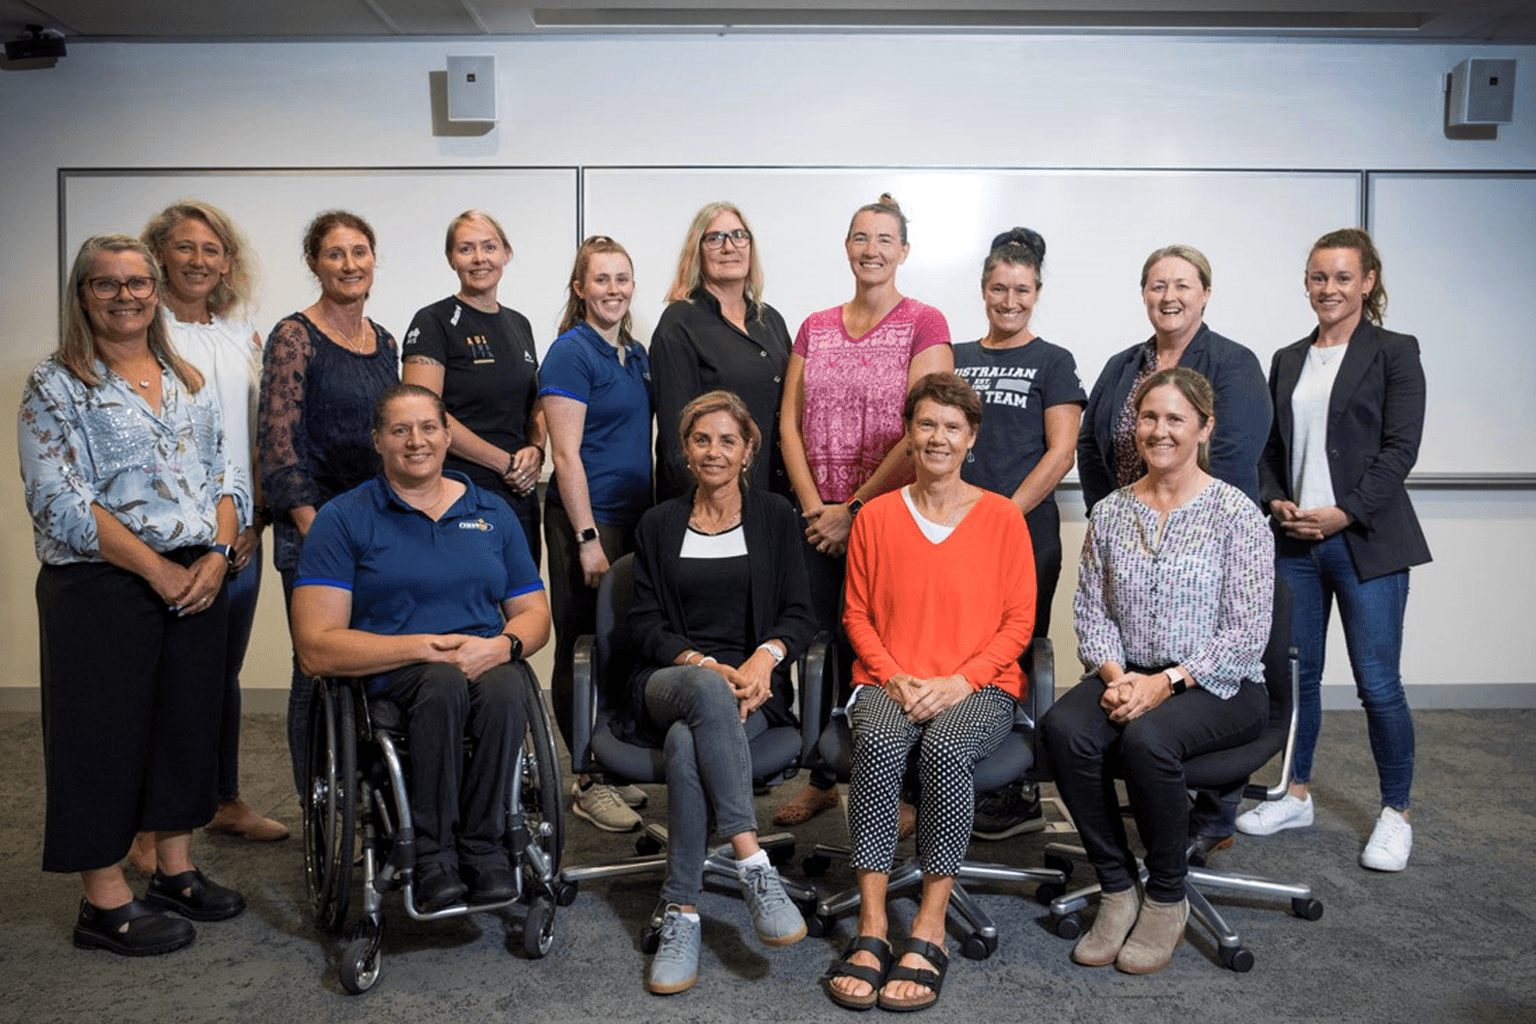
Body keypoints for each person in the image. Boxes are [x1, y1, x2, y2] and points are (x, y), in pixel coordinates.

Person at [20, 234, 250, 955]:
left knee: (185, 728)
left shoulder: (185, 377)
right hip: (102, 582)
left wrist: (216, 553)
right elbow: (58, 501)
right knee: (101, 738)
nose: (125, 296)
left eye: (136, 284)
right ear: (81, 295)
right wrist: (156, 569)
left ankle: (174, 870)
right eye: (106, 284)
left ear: (155, 293)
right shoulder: (56, 384)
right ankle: (104, 900)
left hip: (196, 574)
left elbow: (225, 477)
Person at [1040, 367, 1273, 976]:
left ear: (1204, 428)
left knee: (1149, 737)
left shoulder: (1236, 514)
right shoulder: (1113, 512)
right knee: (1064, 728)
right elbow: (1091, 610)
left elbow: (1247, 634)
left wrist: (1164, 683)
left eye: (1175, 418)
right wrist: (1117, 676)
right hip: (1128, 671)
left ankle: (1166, 894)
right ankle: (1117, 886)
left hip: (1220, 682)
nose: (1159, 430)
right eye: (1148, 417)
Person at [289, 384, 552, 910]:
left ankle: (484, 849)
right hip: (392, 674)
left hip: (482, 659)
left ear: (448, 435)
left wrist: (504, 645)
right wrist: (421, 648)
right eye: (400, 430)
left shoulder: (492, 512)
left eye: (429, 428)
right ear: (378, 441)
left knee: (506, 690)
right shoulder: (344, 518)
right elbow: (316, 648)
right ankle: (432, 855)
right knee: (442, 682)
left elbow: (536, 614)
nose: (417, 441)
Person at [822, 373, 1033, 1012]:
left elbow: (1019, 622)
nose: (938, 437)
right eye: (926, 424)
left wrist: (958, 682)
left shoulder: (1001, 517)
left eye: (952, 427)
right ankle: (873, 923)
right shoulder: (878, 516)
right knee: (881, 745)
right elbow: (856, 614)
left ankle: (931, 923)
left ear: (971, 438)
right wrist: (894, 676)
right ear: (909, 434)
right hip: (891, 680)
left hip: (977, 687)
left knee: (944, 752)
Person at [1237, 228, 1430, 873]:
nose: (1329, 289)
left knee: (1378, 685)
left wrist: (1345, 512)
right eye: (1319, 277)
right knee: (1297, 680)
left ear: (1368, 281)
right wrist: (1275, 502)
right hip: (1295, 544)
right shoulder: (1289, 358)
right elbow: (1270, 452)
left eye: (1343, 277)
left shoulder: (1395, 352)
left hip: (1366, 543)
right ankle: (1296, 792)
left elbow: (1400, 449)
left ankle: (1395, 813)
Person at [624, 391, 816, 994]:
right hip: (668, 680)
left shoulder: (775, 517)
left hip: (751, 690)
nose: (714, 451)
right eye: (701, 439)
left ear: (748, 450)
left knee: (688, 745)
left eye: (727, 440)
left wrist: (764, 658)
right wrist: (703, 661)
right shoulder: (658, 524)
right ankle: (752, 860)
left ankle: (681, 911)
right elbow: (645, 623)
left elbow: (798, 612)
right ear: (684, 450)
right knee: (703, 693)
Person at [773, 193, 952, 831]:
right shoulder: (814, 326)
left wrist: (854, 507)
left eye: (884, 240)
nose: (871, 250)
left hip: (891, 514)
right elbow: (789, 426)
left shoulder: (925, 324)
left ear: (903, 251)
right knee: (819, 643)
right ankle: (826, 776)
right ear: (846, 246)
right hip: (817, 518)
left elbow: (922, 431)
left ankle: (903, 786)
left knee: (887, 649)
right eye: (860, 238)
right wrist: (815, 507)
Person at [141, 201, 288, 868]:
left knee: (220, 674)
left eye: (211, 249)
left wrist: (253, 519)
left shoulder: (241, 333)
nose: (199, 259)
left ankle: (223, 801)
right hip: (175, 531)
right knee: (168, 678)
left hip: (241, 532)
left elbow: (257, 432)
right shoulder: (145, 329)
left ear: (228, 261)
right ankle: (149, 825)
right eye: (184, 247)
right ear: (158, 256)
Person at [258, 209, 399, 795]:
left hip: (376, 528)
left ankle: (372, 793)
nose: (350, 264)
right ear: (315, 263)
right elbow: (278, 442)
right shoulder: (295, 336)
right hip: (313, 529)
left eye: (359, 251)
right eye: (336, 253)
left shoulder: (385, 341)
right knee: (314, 668)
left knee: (376, 660)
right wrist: (313, 527)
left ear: (373, 260)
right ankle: (322, 801)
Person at [953, 227, 1086, 842]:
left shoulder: (1054, 361)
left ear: (1038, 292)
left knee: (1015, 651)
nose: (1010, 300)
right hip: (950, 533)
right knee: (952, 649)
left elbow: (1061, 453)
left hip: (1023, 533)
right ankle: (948, 770)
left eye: (1023, 290)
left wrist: (1002, 515)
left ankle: (1013, 786)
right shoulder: (954, 357)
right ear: (983, 288)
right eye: (999, 288)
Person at [539, 235, 653, 833]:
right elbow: (565, 453)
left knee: (620, 645)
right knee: (582, 644)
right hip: (589, 519)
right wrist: (586, 537)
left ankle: (609, 763)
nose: (614, 289)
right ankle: (586, 777)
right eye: (601, 279)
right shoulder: (570, 353)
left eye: (622, 278)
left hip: (634, 518)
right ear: (580, 288)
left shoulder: (632, 353)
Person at [1077, 243, 1270, 514]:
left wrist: (1173, 521)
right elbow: (1090, 447)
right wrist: (1107, 515)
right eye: (1158, 287)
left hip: (1208, 527)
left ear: (1205, 294)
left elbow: (1232, 459)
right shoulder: (1120, 365)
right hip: (1127, 527)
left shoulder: (1235, 363)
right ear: (1144, 294)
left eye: (1182, 286)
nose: (1169, 297)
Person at [401, 209, 544, 563]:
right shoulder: (433, 321)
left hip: (519, 491)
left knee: (522, 601)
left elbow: (535, 402)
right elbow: (423, 414)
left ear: (506, 253)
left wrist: (536, 450)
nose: (479, 258)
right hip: (458, 491)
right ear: (451, 259)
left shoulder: (519, 324)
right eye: (466, 249)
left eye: (489, 247)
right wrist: (503, 463)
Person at [651, 201, 792, 501]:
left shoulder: (771, 321)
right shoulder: (679, 323)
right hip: (714, 504)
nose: (729, 246)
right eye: (715, 238)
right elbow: (677, 440)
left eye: (739, 235)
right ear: (697, 251)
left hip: (775, 497)